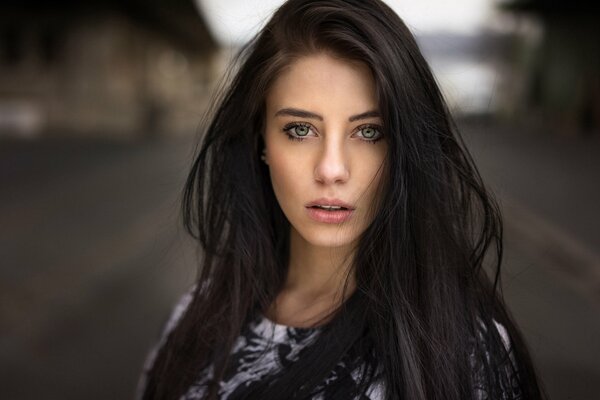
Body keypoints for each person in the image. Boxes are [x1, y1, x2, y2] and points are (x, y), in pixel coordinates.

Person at [137, 0, 545, 399]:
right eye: (300, 130)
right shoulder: (195, 319)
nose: (332, 169)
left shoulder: (467, 354)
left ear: (404, 147)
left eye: (369, 132)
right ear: (261, 139)